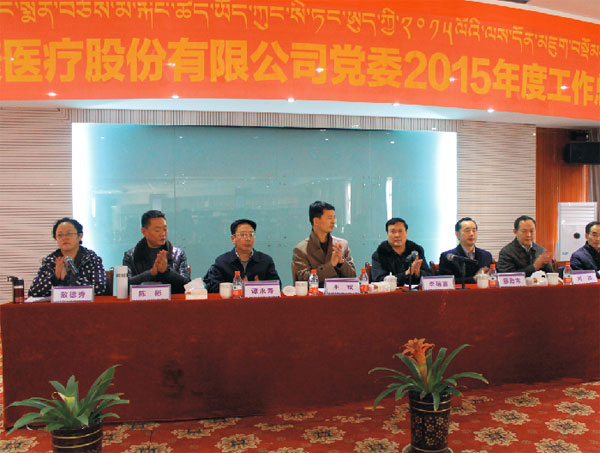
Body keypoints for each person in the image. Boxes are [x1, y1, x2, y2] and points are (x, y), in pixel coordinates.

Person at [29, 217, 107, 297]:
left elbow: (99, 289)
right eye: (60, 235)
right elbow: (33, 292)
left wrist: (68, 277)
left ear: (80, 236)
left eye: (69, 234)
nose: (64, 238)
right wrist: (55, 277)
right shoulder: (50, 261)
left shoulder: (91, 258)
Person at [203, 219, 281, 292]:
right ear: (233, 239)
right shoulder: (222, 262)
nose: (248, 238)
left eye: (251, 234)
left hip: (258, 302)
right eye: (243, 234)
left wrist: (259, 287)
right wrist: (235, 288)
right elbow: (212, 289)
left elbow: (277, 287)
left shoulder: (265, 261)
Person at [123, 210, 190, 293]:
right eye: (157, 230)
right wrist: (150, 273)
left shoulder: (178, 254)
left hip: (171, 300)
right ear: (144, 231)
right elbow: (124, 287)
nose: (163, 234)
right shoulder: (130, 256)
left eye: (165, 229)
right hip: (141, 300)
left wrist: (166, 271)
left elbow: (188, 286)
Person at [292, 201, 356, 286]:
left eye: (334, 218)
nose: (333, 222)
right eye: (329, 218)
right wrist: (331, 265)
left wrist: (341, 263)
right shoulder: (301, 249)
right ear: (316, 221)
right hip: (315, 294)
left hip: (340, 293)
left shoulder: (341, 244)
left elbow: (353, 277)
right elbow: (304, 280)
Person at [371, 217, 431, 285]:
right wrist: (406, 274)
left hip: (414, 291)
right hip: (391, 291)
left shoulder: (416, 251)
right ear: (387, 234)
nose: (397, 235)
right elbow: (379, 279)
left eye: (400, 231)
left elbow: (429, 276)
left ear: (406, 233)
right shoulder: (380, 254)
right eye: (393, 232)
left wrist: (418, 273)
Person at [438, 217, 493, 284]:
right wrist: (473, 279)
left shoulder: (486, 256)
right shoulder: (448, 257)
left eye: (474, 230)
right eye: (467, 230)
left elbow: (493, 278)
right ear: (457, 235)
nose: (471, 234)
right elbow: (445, 282)